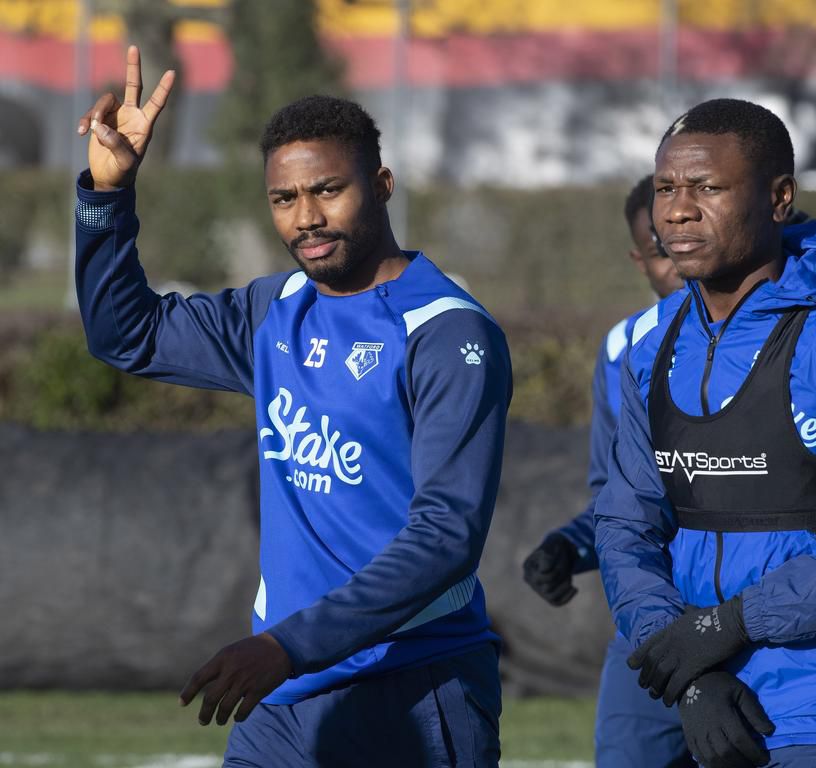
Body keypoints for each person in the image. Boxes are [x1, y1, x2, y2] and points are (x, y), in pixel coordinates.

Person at [74, 46, 511, 767]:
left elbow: (446, 538)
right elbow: (129, 336)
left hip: (410, 687)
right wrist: (106, 192)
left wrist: (288, 645)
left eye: (328, 191)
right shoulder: (275, 311)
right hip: (281, 701)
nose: (306, 217)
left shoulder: (446, 333)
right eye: (285, 199)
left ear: (382, 183)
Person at [594, 98, 816, 768]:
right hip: (703, 695)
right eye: (666, 189)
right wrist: (692, 668)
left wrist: (730, 625)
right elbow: (624, 525)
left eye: (708, 188)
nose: (677, 210)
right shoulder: (648, 344)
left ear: (779, 198)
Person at [522, 175, 690, 767]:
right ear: (639, 258)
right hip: (654, 618)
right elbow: (619, 496)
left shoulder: (808, 327)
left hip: (764, 619)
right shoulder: (625, 347)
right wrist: (572, 545)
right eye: (659, 249)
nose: (676, 259)